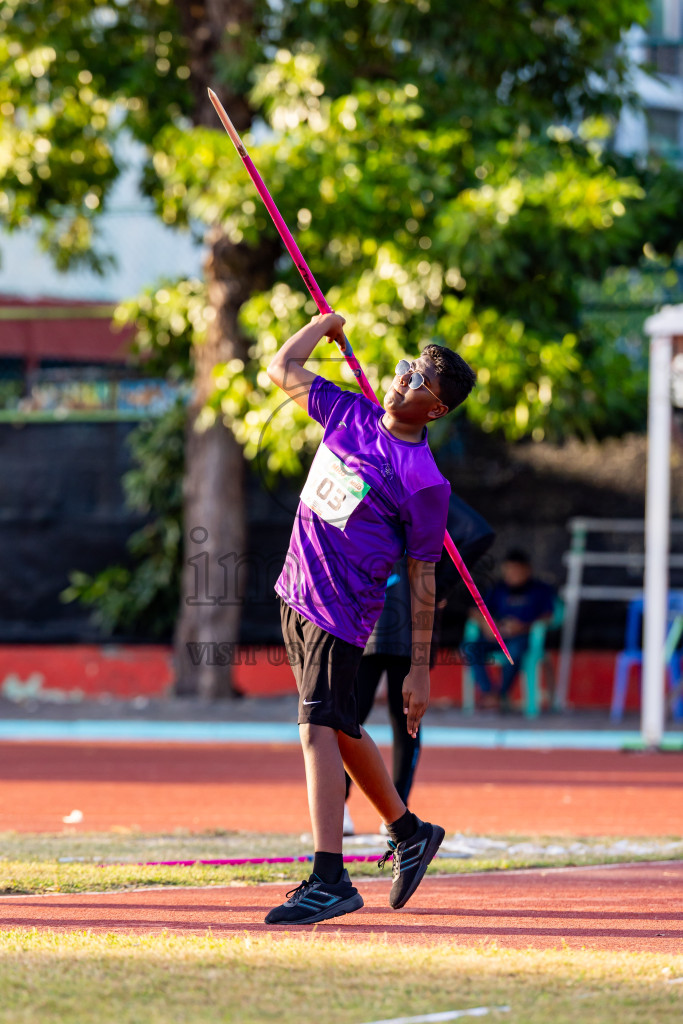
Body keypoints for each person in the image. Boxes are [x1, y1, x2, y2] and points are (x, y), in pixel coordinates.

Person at [265, 310, 476, 925]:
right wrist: (320, 324)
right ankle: (408, 833)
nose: (403, 378)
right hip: (295, 592)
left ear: (435, 411)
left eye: (419, 381)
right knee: (337, 724)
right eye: (406, 366)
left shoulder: (424, 482)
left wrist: (419, 672)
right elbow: (282, 368)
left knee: (316, 729)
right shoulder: (350, 412)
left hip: (342, 609)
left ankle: (330, 878)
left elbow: (422, 577)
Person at [343, 495, 495, 836]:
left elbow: (480, 533)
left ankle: (392, 814)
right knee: (354, 718)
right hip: (374, 620)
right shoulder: (375, 481)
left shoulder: (420, 486)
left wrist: (439, 583)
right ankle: (389, 813)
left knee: (378, 719)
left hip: (394, 622)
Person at [466, 548, 555, 710]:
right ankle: (489, 693)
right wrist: (487, 625)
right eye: (509, 570)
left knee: (514, 652)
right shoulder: (497, 588)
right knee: (471, 648)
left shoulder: (540, 590)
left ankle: (500, 694)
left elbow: (549, 616)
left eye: (517, 570)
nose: (512, 574)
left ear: (527, 570)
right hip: (496, 635)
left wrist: (523, 627)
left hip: (522, 637)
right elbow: (474, 610)